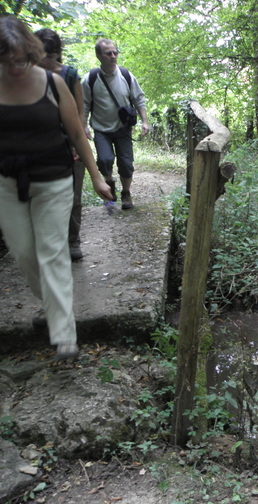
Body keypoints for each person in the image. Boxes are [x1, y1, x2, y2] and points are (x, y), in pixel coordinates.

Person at [0, 15, 113, 359]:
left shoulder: (53, 83)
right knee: (24, 253)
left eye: (21, 59)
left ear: (31, 53)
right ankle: (51, 303)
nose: (16, 66)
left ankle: (64, 335)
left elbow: (77, 132)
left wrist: (96, 176)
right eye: (7, 61)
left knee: (52, 251)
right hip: (7, 183)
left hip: (54, 179)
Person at [35, 28, 86, 261]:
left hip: (68, 144)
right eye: (41, 54)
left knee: (73, 197)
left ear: (58, 53)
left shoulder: (69, 75)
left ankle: (72, 241)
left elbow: (79, 113)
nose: (46, 60)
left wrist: (78, 143)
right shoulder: (22, 76)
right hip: (37, 148)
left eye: (51, 55)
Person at [82, 38, 150, 210]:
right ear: (99, 55)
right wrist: (84, 126)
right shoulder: (90, 79)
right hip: (101, 129)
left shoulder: (126, 76)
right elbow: (84, 105)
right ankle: (109, 182)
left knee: (126, 164)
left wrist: (144, 121)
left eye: (115, 52)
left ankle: (126, 193)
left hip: (123, 128)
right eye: (108, 53)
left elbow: (139, 99)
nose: (113, 56)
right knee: (105, 160)